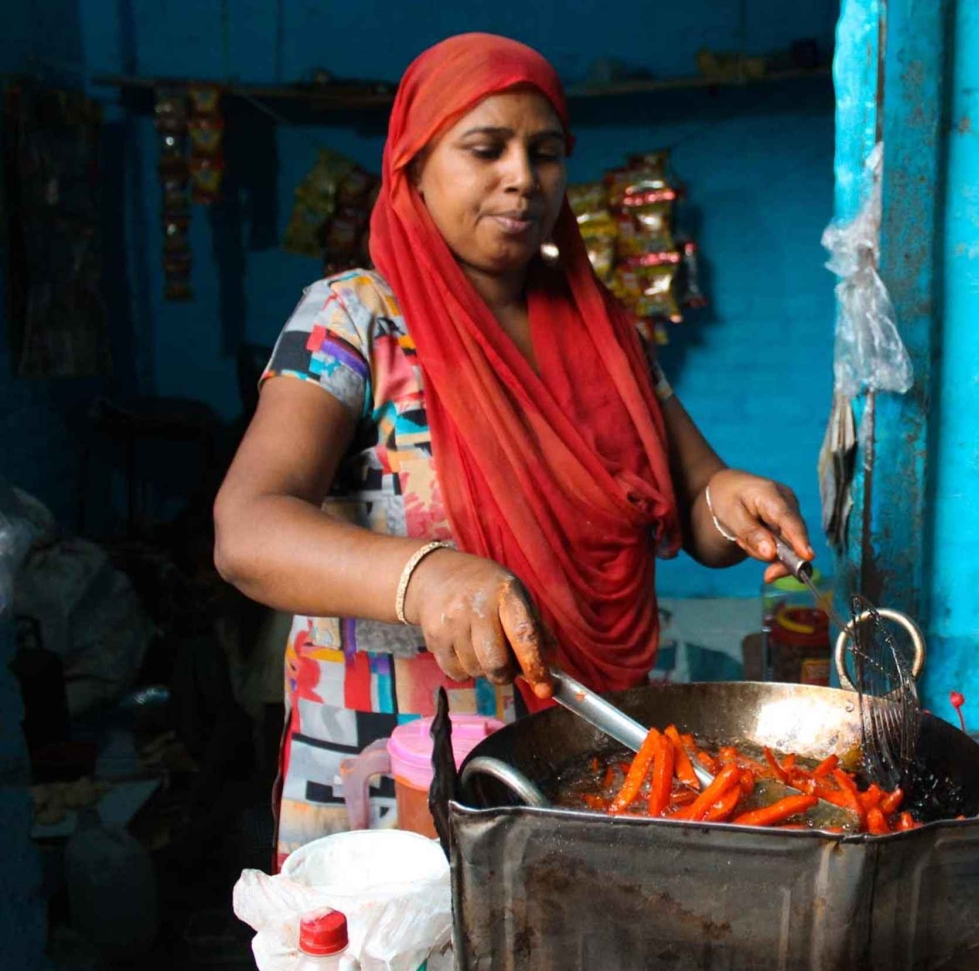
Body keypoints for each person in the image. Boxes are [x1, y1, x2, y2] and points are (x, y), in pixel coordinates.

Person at [213, 33, 814, 865]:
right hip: (392, 784)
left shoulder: (605, 332)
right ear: (414, 167)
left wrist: (733, 498)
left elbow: (697, 500)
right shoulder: (353, 320)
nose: (523, 177)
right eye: (485, 149)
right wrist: (427, 576)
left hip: (575, 770)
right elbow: (247, 529)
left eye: (546, 152)